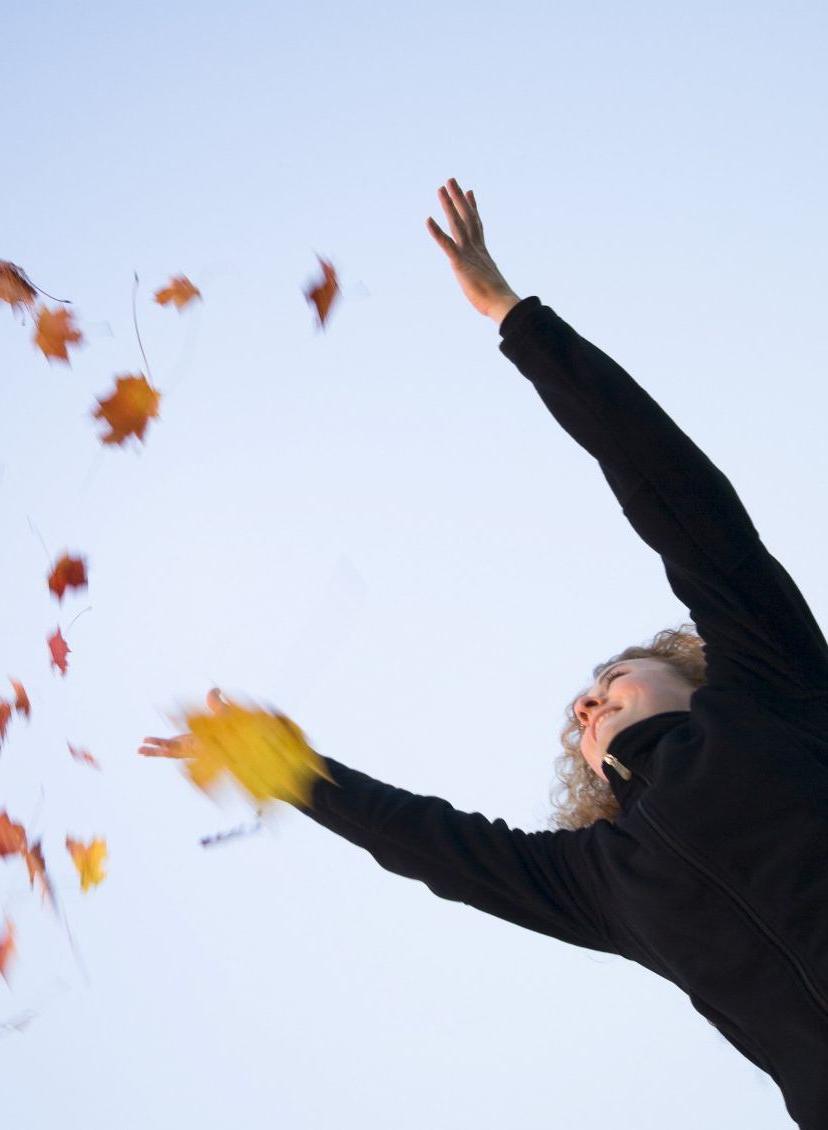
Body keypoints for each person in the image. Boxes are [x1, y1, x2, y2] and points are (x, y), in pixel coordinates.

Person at [140, 178, 828, 1128]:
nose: (588, 704)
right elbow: (424, 841)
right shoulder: (600, 884)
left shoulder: (773, 686)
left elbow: (674, 492)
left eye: (612, 676)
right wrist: (275, 761)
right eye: (581, 710)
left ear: (689, 670)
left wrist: (515, 318)